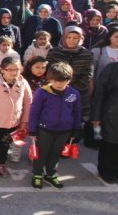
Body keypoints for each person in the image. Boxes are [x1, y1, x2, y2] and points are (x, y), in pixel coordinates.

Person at [28, 62, 82, 190]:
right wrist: (33, 131)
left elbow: (77, 113)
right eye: (56, 81)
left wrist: (76, 130)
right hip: (44, 129)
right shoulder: (42, 92)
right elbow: (34, 113)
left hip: (64, 130)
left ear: (69, 79)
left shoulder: (74, 94)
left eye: (64, 81)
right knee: (41, 153)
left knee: (56, 153)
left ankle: (51, 174)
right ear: (50, 79)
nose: (60, 84)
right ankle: (37, 174)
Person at [90, 41, 118, 185]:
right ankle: (107, 171)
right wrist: (95, 116)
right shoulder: (114, 68)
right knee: (111, 144)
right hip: (113, 114)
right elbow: (99, 94)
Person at [46, 26, 95, 147]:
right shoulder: (54, 52)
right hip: (57, 89)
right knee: (56, 116)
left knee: (74, 118)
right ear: (64, 38)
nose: (72, 40)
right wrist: (59, 85)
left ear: (81, 39)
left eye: (75, 38)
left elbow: (88, 73)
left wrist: (74, 88)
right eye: (69, 37)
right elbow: (49, 70)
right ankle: (54, 144)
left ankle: (69, 144)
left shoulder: (87, 54)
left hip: (78, 91)